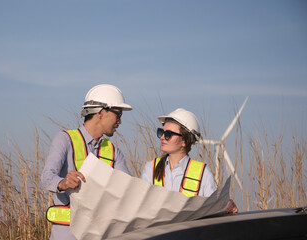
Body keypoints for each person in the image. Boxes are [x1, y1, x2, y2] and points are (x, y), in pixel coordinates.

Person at [41, 84, 132, 240]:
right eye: (118, 114)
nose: (120, 121)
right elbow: (46, 177)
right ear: (101, 113)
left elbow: (127, 190)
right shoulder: (65, 140)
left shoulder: (114, 151)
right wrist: (63, 183)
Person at [141, 108, 238, 213]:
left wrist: (225, 207)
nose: (162, 137)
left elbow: (212, 209)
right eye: (161, 132)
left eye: (168, 134)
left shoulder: (202, 173)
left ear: (184, 141)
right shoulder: (150, 168)